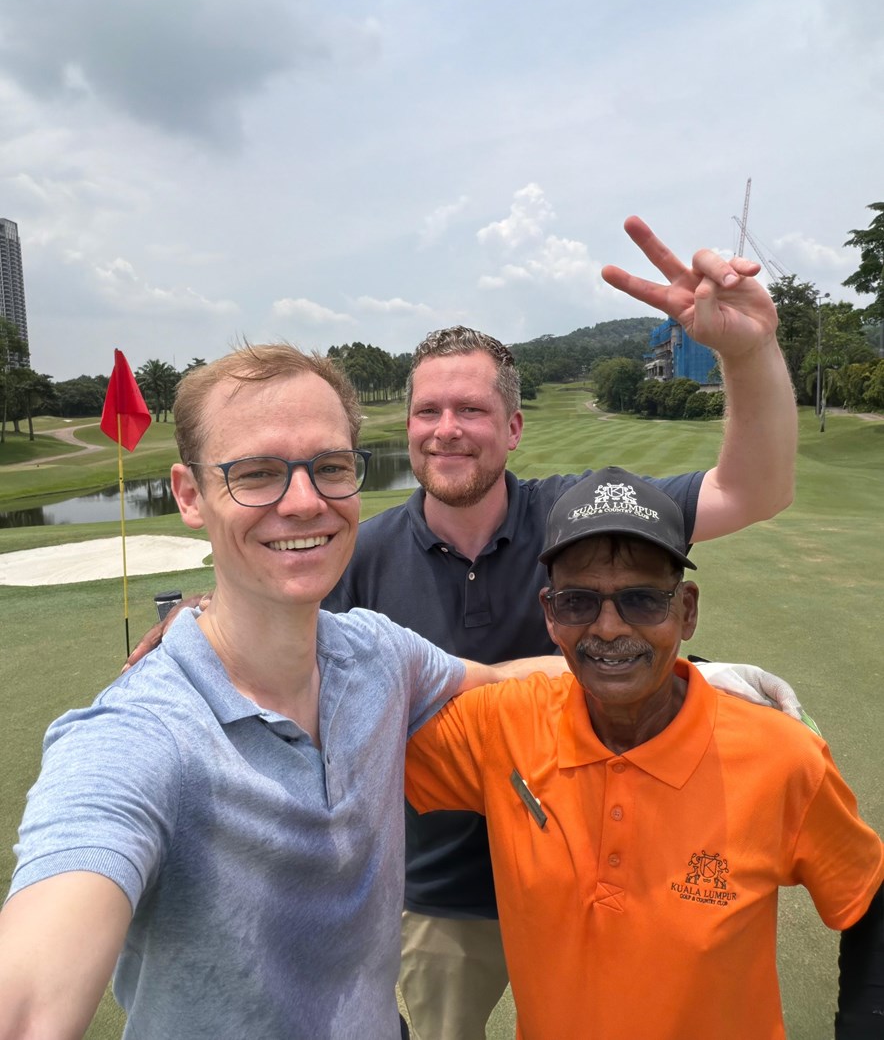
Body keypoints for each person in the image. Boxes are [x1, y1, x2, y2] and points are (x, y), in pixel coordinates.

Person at [127, 217, 801, 1039]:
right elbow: (275, 642)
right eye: (428, 410)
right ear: (406, 428)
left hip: (594, 867)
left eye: (472, 409)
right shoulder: (354, 553)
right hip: (434, 890)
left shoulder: (581, 517)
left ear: (512, 428)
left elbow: (757, 486)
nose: (447, 428)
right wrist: (204, 613)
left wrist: (747, 351)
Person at [0, 344, 567, 1040]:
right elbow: (27, 1002)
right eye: (256, 474)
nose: (305, 503)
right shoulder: (136, 737)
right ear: (187, 493)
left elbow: (508, 678)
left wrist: (698, 682)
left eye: (329, 467)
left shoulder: (377, 651)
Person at [405, 468, 884, 1039]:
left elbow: (867, 890)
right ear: (550, 613)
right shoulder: (499, 724)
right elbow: (346, 752)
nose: (608, 628)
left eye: (641, 600)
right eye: (579, 601)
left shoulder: (782, 755)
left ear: (687, 610)